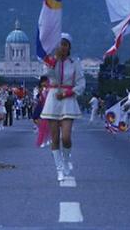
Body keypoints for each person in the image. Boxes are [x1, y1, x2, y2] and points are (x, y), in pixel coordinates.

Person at [41, 33, 86, 182]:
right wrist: (53, 61)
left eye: (65, 44)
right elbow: (45, 74)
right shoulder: (50, 61)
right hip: (53, 99)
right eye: (60, 44)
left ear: (69, 47)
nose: (62, 47)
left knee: (65, 137)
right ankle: (59, 168)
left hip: (68, 99)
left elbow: (81, 83)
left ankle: (66, 160)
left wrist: (69, 92)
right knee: (55, 138)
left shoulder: (75, 63)